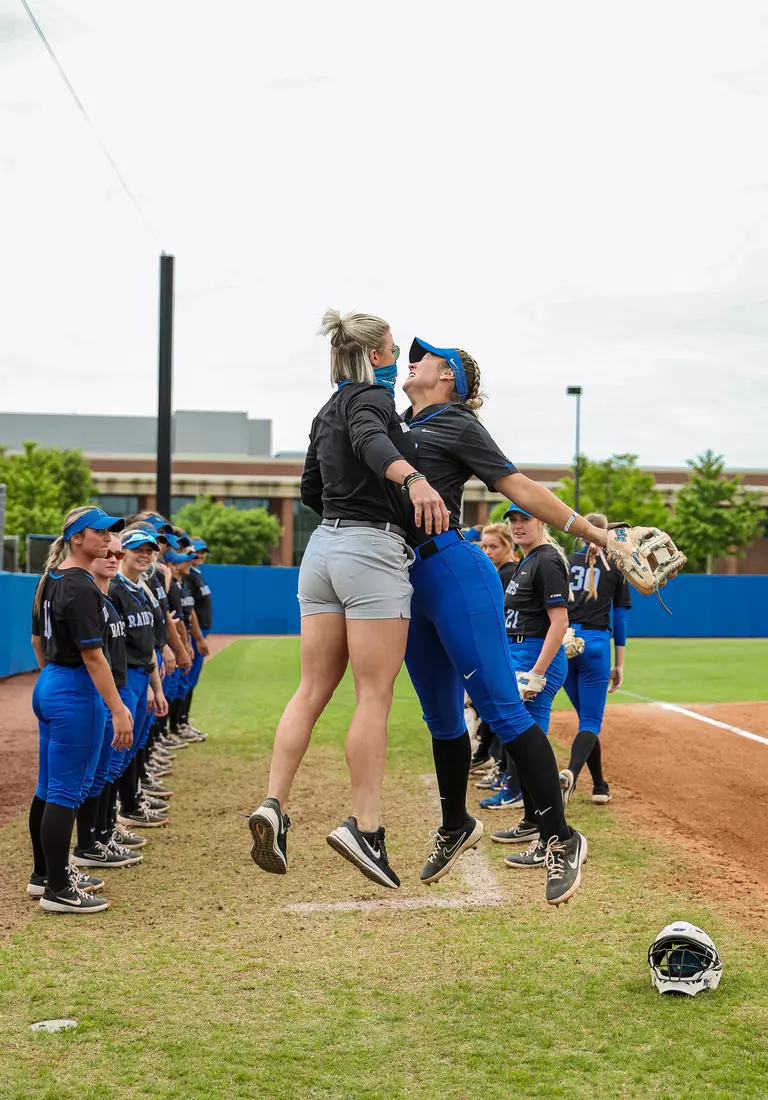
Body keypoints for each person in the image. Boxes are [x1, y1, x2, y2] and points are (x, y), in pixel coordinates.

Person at [248, 309, 448, 890]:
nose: (398, 358)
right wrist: (411, 479)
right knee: (373, 694)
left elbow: (311, 488)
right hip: (368, 552)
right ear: (374, 355)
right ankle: (367, 828)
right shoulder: (370, 401)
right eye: (392, 348)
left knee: (310, 690)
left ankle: (273, 805)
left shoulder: (323, 408)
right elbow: (367, 437)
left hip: (322, 552)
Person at [396, 337, 600, 904]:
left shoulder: (456, 422)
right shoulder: (392, 423)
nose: (414, 359)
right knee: (440, 717)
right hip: (405, 581)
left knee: (503, 709)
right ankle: (454, 824)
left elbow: (522, 488)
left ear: (449, 379)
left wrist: (593, 532)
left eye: (427, 356)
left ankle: (562, 837)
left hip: (452, 572)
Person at [28, 505, 131, 914]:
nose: (108, 540)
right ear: (76, 538)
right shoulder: (81, 586)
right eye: (99, 533)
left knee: (49, 787)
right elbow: (93, 657)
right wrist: (119, 708)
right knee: (65, 792)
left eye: (110, 533)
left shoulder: (55, 578)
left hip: (52, 682)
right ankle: (57, 888)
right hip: (75, 690)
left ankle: (44, 875)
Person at [488, 506, 572, 864]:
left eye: (525, 519)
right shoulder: (530, 559)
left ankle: (550, 837)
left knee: (526, 745)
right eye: (513, 520)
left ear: (541, 521)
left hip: (537, 658)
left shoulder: (548, 559)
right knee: (521, 745)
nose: (518, 525)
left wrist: (537, 673)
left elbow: (559, 621)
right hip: (520, 655)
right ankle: (531, 819)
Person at [71, 534, 144, 869]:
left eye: (118, 552)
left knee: (102, 772)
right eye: (110, 552)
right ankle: (88, 842)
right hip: (97, 694)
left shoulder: (107, 599)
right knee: (79, 779)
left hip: (116, 690)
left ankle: (101, 834)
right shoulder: (90, 595)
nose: (114, 557)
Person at [560, 512, 631, 805]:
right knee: (589, 722)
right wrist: (620, 664)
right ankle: (572, 776)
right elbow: (621, 620)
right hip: (596, 643)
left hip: (563, 644)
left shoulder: (563, 562)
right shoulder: (616, 566)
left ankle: (600, 785)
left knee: (586, 721)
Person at [106, 529, 170, 830]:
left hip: (143, 675)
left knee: (130, 750)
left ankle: (123, 811)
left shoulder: (140, 588)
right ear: (123, 554)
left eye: (149, 550)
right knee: (114, 757)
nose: (144, 555)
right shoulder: (115, 589)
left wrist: (155, 688)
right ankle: (108, 824)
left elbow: (149, 649)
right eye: (136, 550)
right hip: (125, 678)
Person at [470, 524, 520, 774]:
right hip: (500, 646)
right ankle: (490, 759)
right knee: (491, 705)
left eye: (494, 546)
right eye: (484, 546)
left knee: (500, 706)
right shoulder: (499, 572)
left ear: (508, 546)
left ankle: (498, 764)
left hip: (509, 646)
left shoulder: (508, 573)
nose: (487, 551)